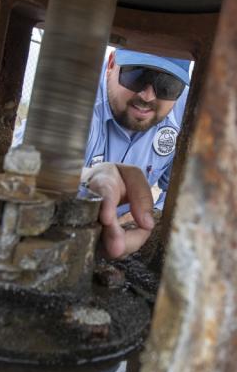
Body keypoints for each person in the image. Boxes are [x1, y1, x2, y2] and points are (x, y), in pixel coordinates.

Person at [81, 49, 191, 260]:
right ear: (111, 65)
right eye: (136, 74)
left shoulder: (186, 111)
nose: (147, 96)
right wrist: (86, 179)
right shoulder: (77, 95)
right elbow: (33, 169)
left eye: (166, 84)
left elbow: (183, 194)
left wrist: (146, 220)